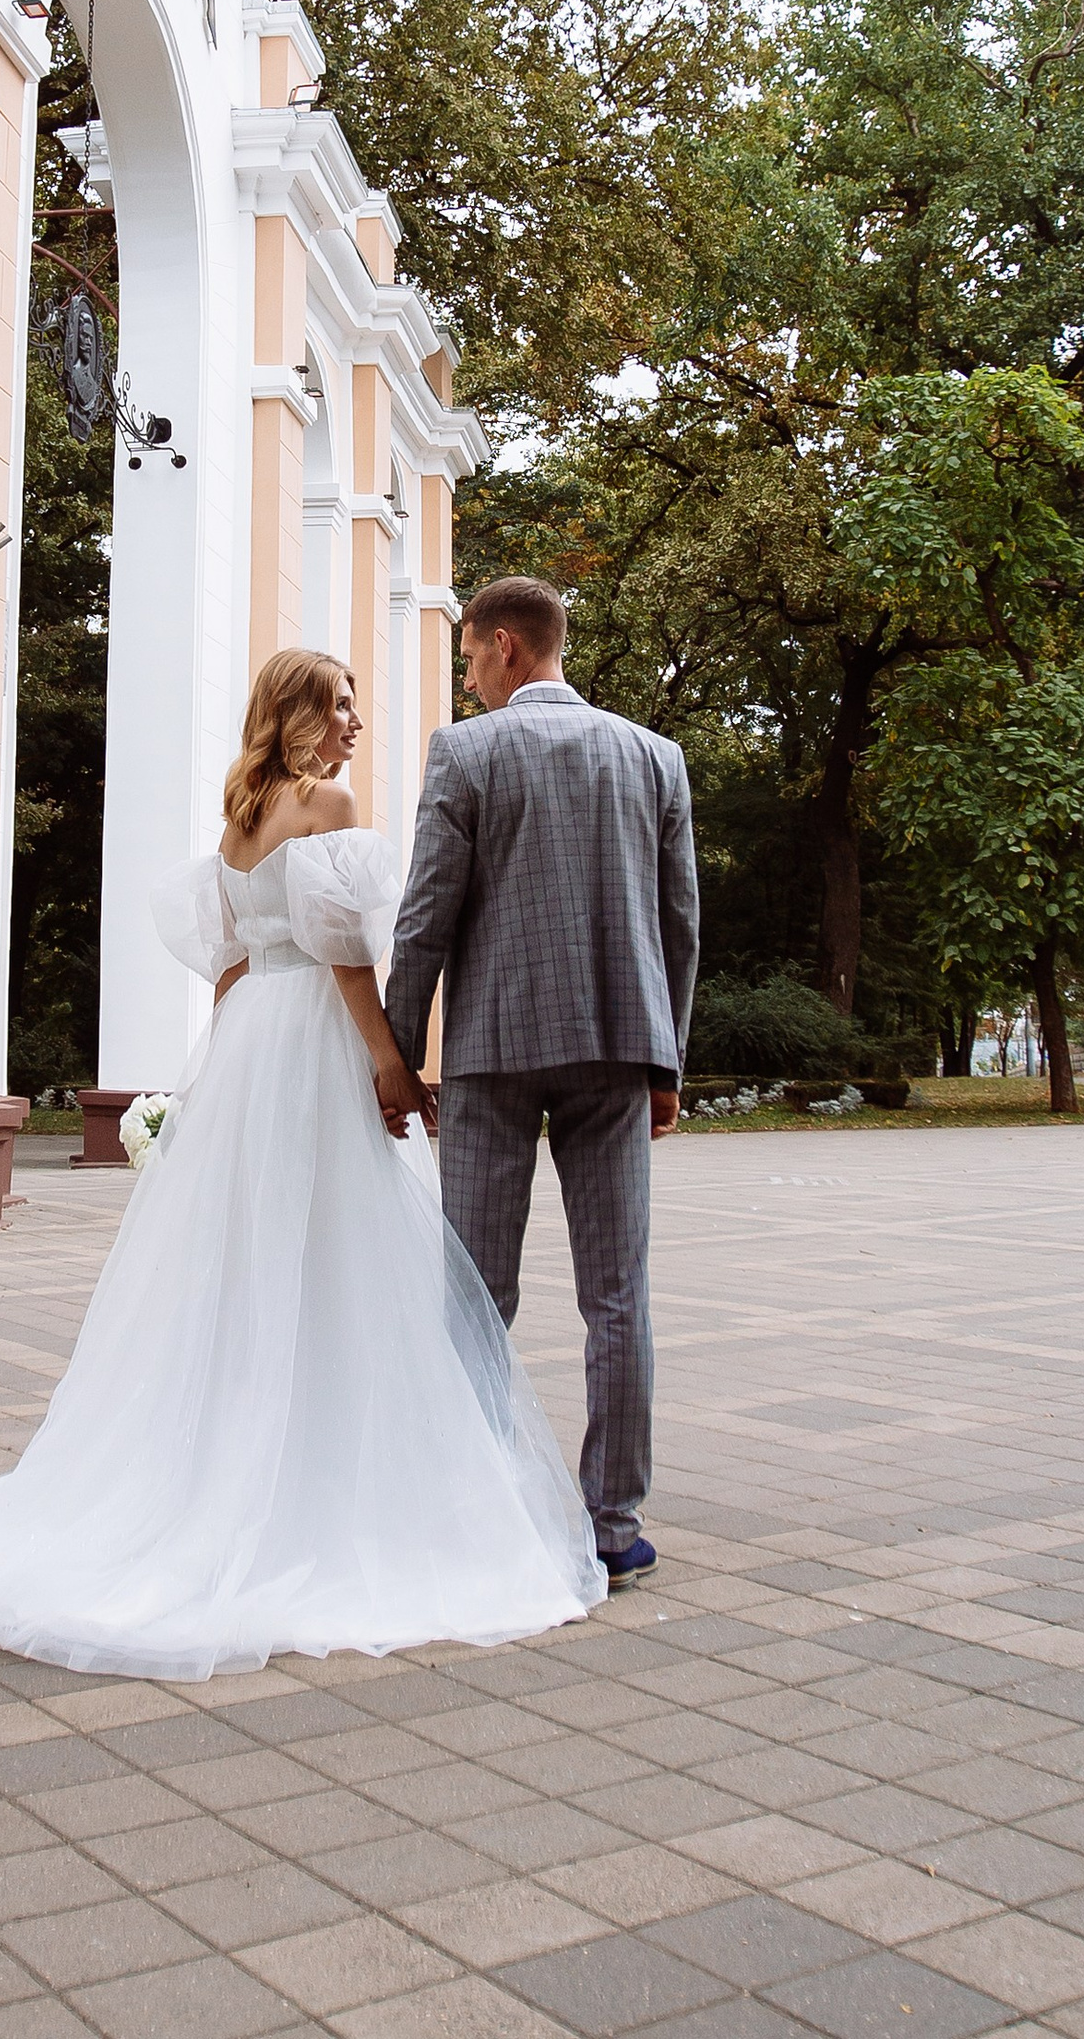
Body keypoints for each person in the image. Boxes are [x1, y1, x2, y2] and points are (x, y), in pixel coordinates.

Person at [0, 646, 605, 1679]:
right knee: (337, 1242)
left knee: (252, 1250)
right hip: (311, 1035)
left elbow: (230, 967)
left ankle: (238, 1448)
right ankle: (320, 1475)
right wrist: (390, 1064)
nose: (355, 721)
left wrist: (215, 1077)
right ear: (298, 713)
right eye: (339, 704)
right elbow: (344, 956)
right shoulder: (326, 802)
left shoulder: (242, 812)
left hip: (255, 1039)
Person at [385, 576, 698, 1588]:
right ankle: (614, 1525)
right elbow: (680, 925)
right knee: (618, 1294)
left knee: (477, 1294)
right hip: (618, 1049)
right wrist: (667, 1062)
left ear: (508, 647)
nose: (469, 677)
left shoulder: (465, 753)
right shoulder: (654, 756)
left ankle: (470, 1514)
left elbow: (425, 916)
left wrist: (394, 1055)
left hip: (494, 1051)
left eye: (470, 656)